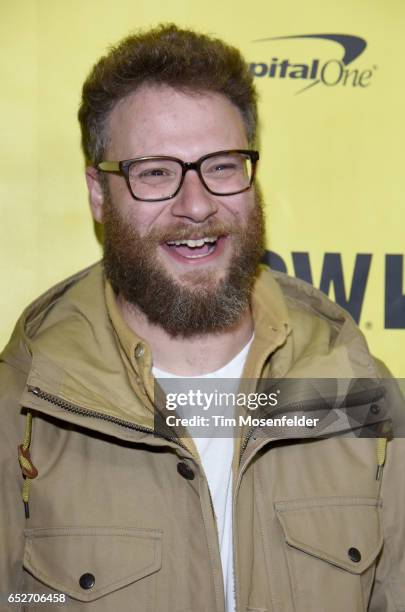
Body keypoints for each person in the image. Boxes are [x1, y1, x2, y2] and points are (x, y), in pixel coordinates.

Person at [0, 24, 404, 612]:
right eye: (156, 172)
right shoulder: (21, 410)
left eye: (221, 165)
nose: (196, 206)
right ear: (97, 193)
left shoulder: (359, 395)